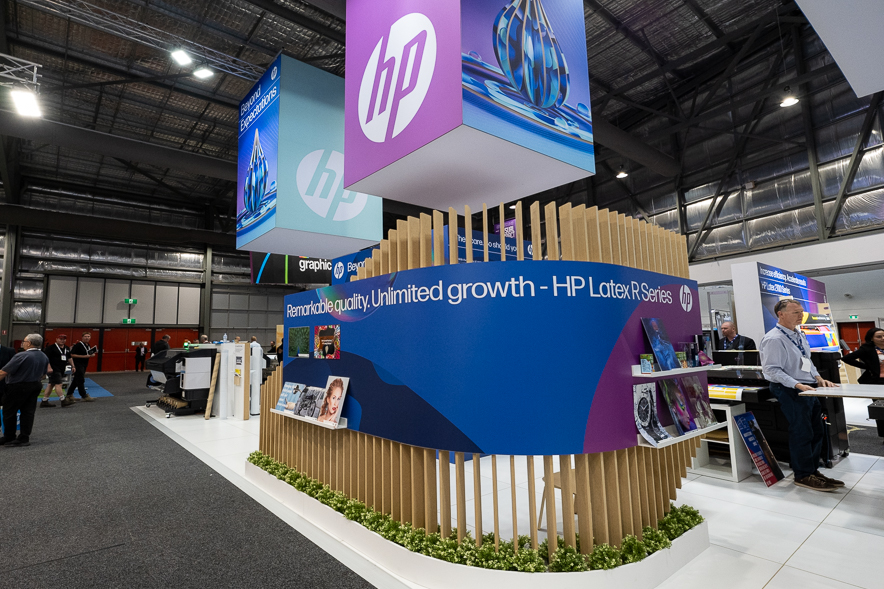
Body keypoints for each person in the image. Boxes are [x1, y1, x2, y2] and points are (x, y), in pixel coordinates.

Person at [760, 299, 842, 492]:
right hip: (789, 388)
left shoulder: (799, 334)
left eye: (801, 312)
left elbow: (807, 360)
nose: (801, 316)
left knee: (817, 429)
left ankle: (812, 470)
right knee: (802, 431)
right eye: (795, 312)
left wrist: (818, 377)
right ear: (781, 314)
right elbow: (771, 370)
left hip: (807, 387)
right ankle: (803, 474)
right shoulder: (774, 339)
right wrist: (796, 384)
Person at [0, 334, 51, 447]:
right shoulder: (43, 356)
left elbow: (4, 372)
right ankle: (24, 437)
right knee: (28, 412)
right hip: (35, 385)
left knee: (9, 412)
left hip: (17, 386)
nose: (23, 343)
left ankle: (9, 436)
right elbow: (44, 374)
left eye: (24, 341)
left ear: (29, 343)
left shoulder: (22, 356)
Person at [41, 334, 76, 408]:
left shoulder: (66, 348)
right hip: (53, 369)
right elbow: (46, 358)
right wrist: (49, 367)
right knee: (59, 384)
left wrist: (73, 366)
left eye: (64, 339)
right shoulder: (51, 348)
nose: (62, 341)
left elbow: (69, 357)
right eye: (60, 339)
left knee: (51, 384)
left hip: (62, 368)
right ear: (56, 339)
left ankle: (44, 401)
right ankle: (63, 400)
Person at [69, 331, 96, 402]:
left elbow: (88, 353)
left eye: (88, 336)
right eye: (85, 336)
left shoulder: (88, 345)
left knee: (76, 380)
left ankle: (69, 395)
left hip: (84, 364)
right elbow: (71, 355)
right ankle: (84, 395)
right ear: (82, 337)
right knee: (80, 379)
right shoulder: (78, 345)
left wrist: (92, 355)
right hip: (77, 364)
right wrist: (84, 356)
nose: (87, 338)